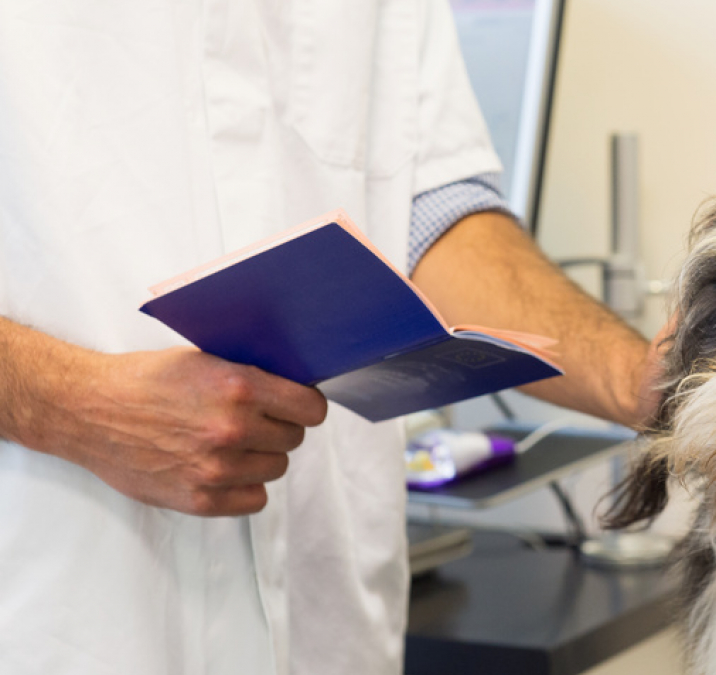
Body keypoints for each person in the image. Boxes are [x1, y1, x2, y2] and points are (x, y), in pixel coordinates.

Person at [0, 1, 659, 673]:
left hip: (327, 621)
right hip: (59, 610)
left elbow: (429, 214)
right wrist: (68, 403)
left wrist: (637, 379)